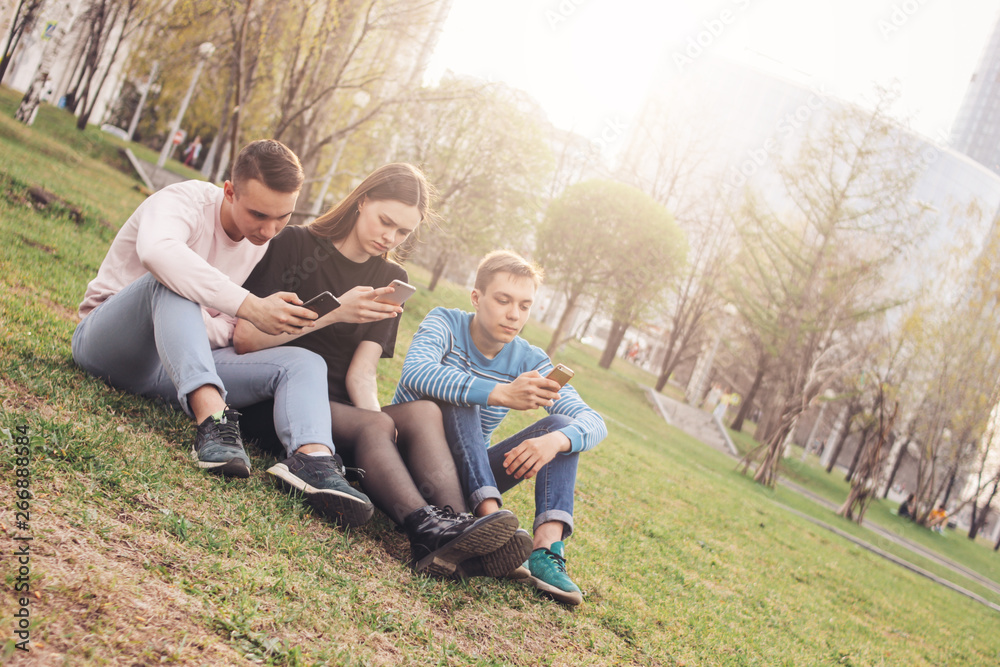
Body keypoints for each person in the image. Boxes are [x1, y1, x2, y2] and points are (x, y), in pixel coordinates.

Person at [233, 164, 520, 577]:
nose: (390, 237)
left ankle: (463, 528)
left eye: (403, 232)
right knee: (373, 427)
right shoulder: (295, 244)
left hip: (342, 411)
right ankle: (424, 531)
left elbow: (362, 374)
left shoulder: (391, 277)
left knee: (422, 412)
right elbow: (246, 339)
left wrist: (380, 419)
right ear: (362, 200)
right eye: (386, 221)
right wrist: (334, 313)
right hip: (282, 398)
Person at [72, 140, 375, 527]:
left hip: (181, 364)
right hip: (112, 346)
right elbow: (158, 254)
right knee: (172, 280)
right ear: (229, 191)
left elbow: (230, 331)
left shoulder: (265, 242)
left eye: (283, 217)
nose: (269, 230)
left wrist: (247, 318)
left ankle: (312, 461)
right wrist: (248, 306)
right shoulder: (185, 201)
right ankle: (213, 422)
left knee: (303, 362)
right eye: (258, 214)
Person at [393, 250, 608, 605]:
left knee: (562, 427)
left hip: (465, 481)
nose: (513, 314)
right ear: (477, 297)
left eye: (524, 306)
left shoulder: (529, 359)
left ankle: (545, 550)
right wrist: (499, 393)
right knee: (458, 395)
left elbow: (593, 422)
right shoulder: (444, 322)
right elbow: (416, 371)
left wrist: (555, 441)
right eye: (503, 300)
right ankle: (492, 524)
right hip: (408, 466)